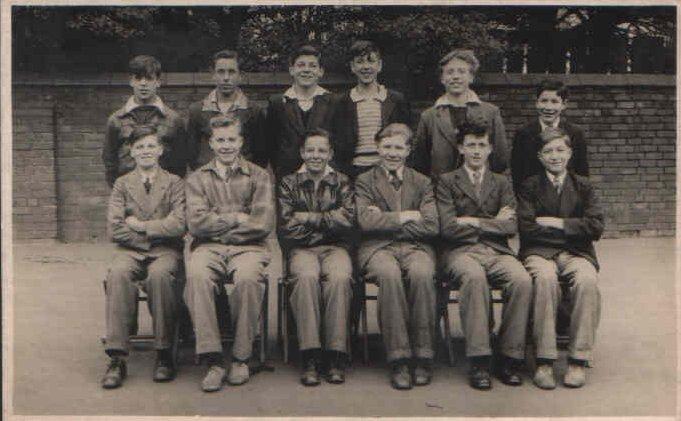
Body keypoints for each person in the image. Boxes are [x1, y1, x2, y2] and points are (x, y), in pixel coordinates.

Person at [436, 121, 532, 390]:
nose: (476, 151)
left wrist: (473, 221)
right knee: (474, 277)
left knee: (522, 280)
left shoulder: (502, 182)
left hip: (497, 251)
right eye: (470, 145)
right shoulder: (446, 181)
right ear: (461, 148)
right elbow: (447, 227)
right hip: (460, 252)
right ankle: (479, 359)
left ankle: (509, 356)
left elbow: (511, 226)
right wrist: (492, 222)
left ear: (490, 149)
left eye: (481, 145)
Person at [184, 116, 274, 392]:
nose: (226, 146)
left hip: (249, 247)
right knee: (197, 276)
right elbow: (196, 222)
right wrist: (237, 216)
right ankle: (213, 360)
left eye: (231, 140)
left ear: (241, 142)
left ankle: (240, 357)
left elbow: (262, 223)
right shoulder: (197, 178)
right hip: (208, 247)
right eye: (220, 140)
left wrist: (220, 225)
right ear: (211, 143)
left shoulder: (259, 175)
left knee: (247, 278)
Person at [517, 127, 604, 390]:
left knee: (587, 281)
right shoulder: (530, 185)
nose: (555, 156)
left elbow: (597, 226)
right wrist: (574, 229)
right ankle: (544, 359)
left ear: (570, 153)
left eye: (560, 150)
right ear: (540, 157)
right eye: (548, 151)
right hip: (539, 252)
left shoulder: (584, 186)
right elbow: (527, 226)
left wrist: (557, 223)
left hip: (577, 253)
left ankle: (578, 359)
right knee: (544, 279)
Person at [101, 126, 186, 389]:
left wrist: (140, 226)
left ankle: (163, 353)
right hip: (130, 250)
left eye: (151, 146)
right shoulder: (122, 184)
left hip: (166, 251)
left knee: (160, 276)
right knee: (117, 274)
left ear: (160, 150)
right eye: (140, 147)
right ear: (132, 152)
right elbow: (115, 228)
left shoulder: (175, 183)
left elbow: (179, 224)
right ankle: (117, 356)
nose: (146, 152)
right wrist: (151, 235)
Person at [355, 123, 439, 390]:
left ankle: (423, 356)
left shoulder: (422, 182)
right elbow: (366, 222)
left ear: (408, 150)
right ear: (378, 148)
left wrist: (384, 217)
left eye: (399, 147)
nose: (392, 153)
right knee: (389, 276)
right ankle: (399, 358)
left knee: (423, 274)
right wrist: (406, 216)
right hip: (378, 248)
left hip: (416, 247)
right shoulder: (364, 180)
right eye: (387, 146)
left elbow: (431, 225)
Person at [277, 128, 355, 386]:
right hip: (301, 249)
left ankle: (335, 354)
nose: (316, 155)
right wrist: (326, 225)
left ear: (330, 153)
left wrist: (308, 218)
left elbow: (348, 220)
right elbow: (287, 226)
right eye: (310, 150)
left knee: (340, 277)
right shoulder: (289, 183)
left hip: (336, 249)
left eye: (322, 150)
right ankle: (309, 354)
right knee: (306, 277)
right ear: (302, 152)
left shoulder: (342, 181)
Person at [412, 49, 508, 177]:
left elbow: (500, 159)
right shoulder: (429, 116)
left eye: (462, 72)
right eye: (450, 72)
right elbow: (420, 162)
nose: (455, 77)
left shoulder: (490, 112)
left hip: (479, 190)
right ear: (442, 78)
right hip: (441, 191)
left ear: (471, 77)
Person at [102, 55, 186, 187]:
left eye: (149, 78)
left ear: (158, 81)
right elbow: (110, 161)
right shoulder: (116, 120)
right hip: (128, 191)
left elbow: (180, 163)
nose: (143, 83)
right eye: (138, 78)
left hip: (163, 191)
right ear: (131, 81)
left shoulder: (173, 120)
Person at [331, 40, 411, 178]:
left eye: (371, 61)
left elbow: (407, 136)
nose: (366, 67)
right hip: (354, 170)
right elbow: (337, 141)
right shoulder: (342, 102)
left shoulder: (395, 99)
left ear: (379, 65)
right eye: (360, 62)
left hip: (388, 168)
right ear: (352, 67)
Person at [186, 49, 267, 171]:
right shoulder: (197, 110)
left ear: (240, 76)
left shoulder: (254, 111)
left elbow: (261, 155)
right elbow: (192, 153)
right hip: (208, 180)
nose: (226, 78)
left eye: (231, 72)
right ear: (213, 75)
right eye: (221, 72)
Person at [265, 45, 336, 179]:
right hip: (287, 177)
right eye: (301, 65)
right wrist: (281, 169)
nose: (306, 70)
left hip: (324, 176)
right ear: (292, 70)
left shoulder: (333, 102)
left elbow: (338, 142)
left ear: (321, 71)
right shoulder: (278, 103)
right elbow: (271, 144)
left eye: (312, 66)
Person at [511, 79, 589, 195]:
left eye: (554, 101)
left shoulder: (575, 133)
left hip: (567, 200)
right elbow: (518, 174)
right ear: (536, 103)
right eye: (544, 101)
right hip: (533, 200)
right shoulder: (523, 134)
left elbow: (581, 172)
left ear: (564, 105)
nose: (548, 107)